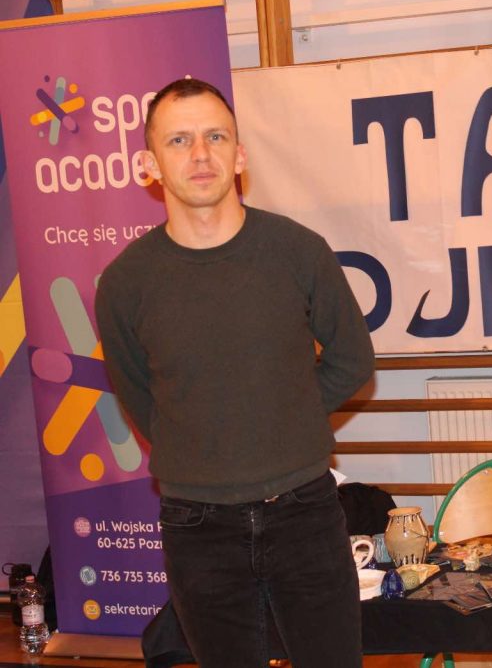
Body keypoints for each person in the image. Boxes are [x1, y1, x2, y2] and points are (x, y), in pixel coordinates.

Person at [95, 77, 375, 667]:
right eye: (179, 140)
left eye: (215, 137)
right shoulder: (124, 283)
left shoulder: (299, 251)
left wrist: (285, 416)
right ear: (149, 165)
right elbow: (140, 395)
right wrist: (205, 441)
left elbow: (353, 358)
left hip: (305, 514)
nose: (200, 154)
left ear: (240, 155)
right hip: (197, 528)